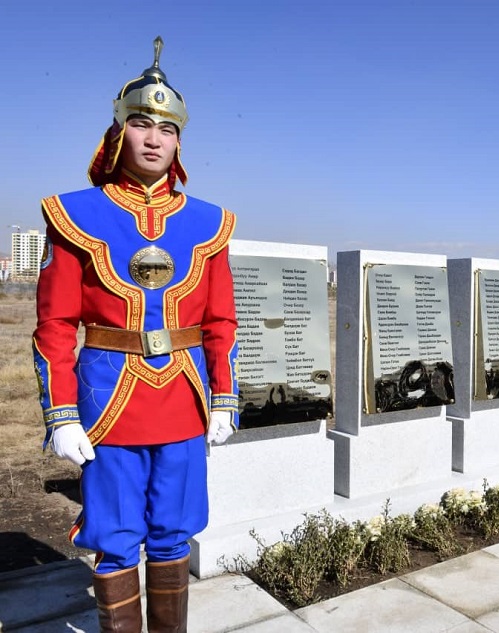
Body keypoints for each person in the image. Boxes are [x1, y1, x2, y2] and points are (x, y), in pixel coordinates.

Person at [32, 37, 239, 632]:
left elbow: (221, 323)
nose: (153, 138)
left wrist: (224, 398)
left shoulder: (209, 223)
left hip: (183, 400)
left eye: (166, 129)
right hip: (108, 402)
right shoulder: (76, 213)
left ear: (179, 142)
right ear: (119, 132)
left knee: (174, 535)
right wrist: (61, 414)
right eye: (141, 124)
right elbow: (54, 326)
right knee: (116, 537)